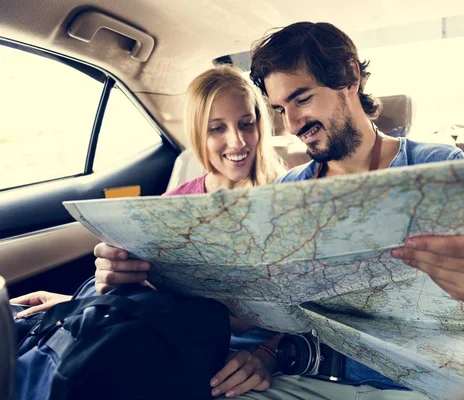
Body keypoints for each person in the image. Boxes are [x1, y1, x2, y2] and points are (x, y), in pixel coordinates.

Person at [84, 22, 464, 399]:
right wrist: (147, 278)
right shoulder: (289, 190)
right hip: (304, 380)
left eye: (301, 99)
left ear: (350, 77)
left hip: (414, 388)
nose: (292, 124)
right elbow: (273, 310)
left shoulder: (437, 168)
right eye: (279, 109)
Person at [11, 65, 287, 399]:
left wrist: (270, 354)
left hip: (230, 349)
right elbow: (152, 297)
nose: (237, 140)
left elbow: (313, 310)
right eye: (217, 128)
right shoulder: (170, 207)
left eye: (246, 123)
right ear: (199, 134)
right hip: (171, 337)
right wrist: (84, 303)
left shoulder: (286, 200)